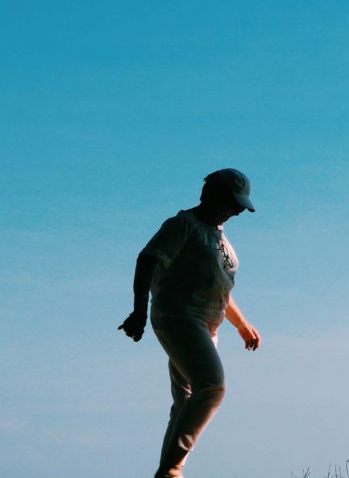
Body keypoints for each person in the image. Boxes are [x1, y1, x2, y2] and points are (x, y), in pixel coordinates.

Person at [118, 168, 262, 478]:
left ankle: (169, 470)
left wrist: (241, 324)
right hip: (178, 317)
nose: (238, 211)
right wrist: (139, 311)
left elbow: (220, 285)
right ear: (211, 196)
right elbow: (148, 259)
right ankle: (171, 469)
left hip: (208, 325)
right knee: (212, 385)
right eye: (234, 203)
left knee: (185, 400)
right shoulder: (182, 225)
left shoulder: (220, 236)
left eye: (241, 205)